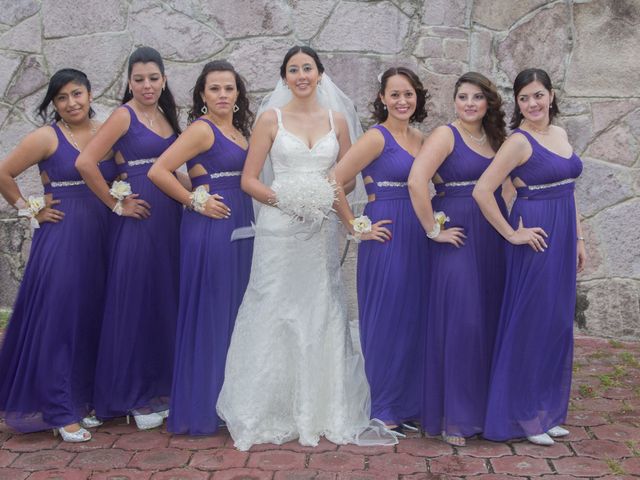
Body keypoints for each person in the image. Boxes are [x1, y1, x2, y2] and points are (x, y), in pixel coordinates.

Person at [216, 45, 396, 451]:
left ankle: (321, 408)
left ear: (320, 75)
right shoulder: (269, 120)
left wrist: (323, 200)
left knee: (320, 307)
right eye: (293, 70)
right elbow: (249, 180)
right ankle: (265, 407)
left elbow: (347, 180)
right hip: (280, 227)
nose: (301, 75)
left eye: (308, 68)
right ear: (284, 78)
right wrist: (288, 200)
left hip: (319, 230)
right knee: (274, 304)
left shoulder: (336, 121)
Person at [0, 69, 116, 442]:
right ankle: (59, 410)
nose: (72, 103)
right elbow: (4, 172)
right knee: (61, 320)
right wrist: (29, 208)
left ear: (90, 93)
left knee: (92, 316)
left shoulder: (107, 130)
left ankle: (83, 399)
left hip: (104, 234)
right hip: (63, 236)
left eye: (77, 94)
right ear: (54, 104)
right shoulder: (46, 137)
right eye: (62, 98)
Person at [472, 68, 585, 446]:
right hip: (535, 239)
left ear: (551, 96)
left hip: (564, 234)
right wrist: (512, 233)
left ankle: (545, 411)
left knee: (556, 324)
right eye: (524, 98)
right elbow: (483, 191)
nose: (532, 104)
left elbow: (569, 191)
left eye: (538, 95)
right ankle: (522, 415)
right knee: (531, 325)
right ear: (517, 103)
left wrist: (580, 239)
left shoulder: (561, 134)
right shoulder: (519, 142)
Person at [76, 46, 182, 430]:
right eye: (139, 79)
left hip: (170, 217)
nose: (147, 85)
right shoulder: (124, 115)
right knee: (135, 301)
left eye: (153, 78)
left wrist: (201, 194)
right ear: (129, 82)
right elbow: (86, 162)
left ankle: (160, 387)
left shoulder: (169, 117)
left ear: (165, 79)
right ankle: (133, 395)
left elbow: (174, 170)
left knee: (162, 299)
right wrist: (115, 205)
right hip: (138, 217)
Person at [148, 60, 254, 435]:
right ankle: (201, 407)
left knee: (235, 313)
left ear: (238, 93)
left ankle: (229, 401)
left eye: (229, 88)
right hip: (210, 228)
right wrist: (194, 200)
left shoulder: (241, 132)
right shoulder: (201, 129)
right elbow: (158, 170)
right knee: (211, 313)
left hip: (241, 226)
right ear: (202, 95)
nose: (223, 95)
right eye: (214, 89)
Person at [408, 72, 509, 446]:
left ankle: (483, 412)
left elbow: (510, 186)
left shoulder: (497, 139)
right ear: (454, 102)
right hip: (458, 236)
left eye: (477, 97)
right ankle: (454, 417)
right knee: (461, 323)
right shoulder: (444, 135)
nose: (469, 103)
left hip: (493, 237)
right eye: (462, 96)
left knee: (487, 320)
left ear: (488, 104)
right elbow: (417, 181)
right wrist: (432, 230)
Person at [332, 67, 429, 436]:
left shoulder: (421, 138)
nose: (402, 101)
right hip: (385, 234)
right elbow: (335, 181)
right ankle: (384, 404)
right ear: (382, 99)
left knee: (414, 318)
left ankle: (410, 402)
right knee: (386, 318)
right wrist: (356, 226)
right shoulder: (376, 137)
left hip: (418, 234)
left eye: (408, 94)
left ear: (416, 97)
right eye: (395, 94)